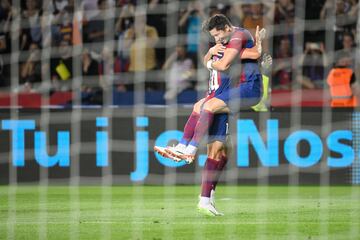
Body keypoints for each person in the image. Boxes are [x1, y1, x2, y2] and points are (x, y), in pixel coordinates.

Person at [155, 14, 266, 216]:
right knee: (217, 148)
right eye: (213, 37)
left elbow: (226, 63)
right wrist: (209, 54)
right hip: (223, 94)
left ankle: (188, 149)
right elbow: (233, 56)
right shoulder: (223, 45)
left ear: (226, 27)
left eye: (218, 35)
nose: (216, 40)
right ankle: (205, 200)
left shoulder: (238, 35)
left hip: (244, 89)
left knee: (206, 107)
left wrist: (255, 52)